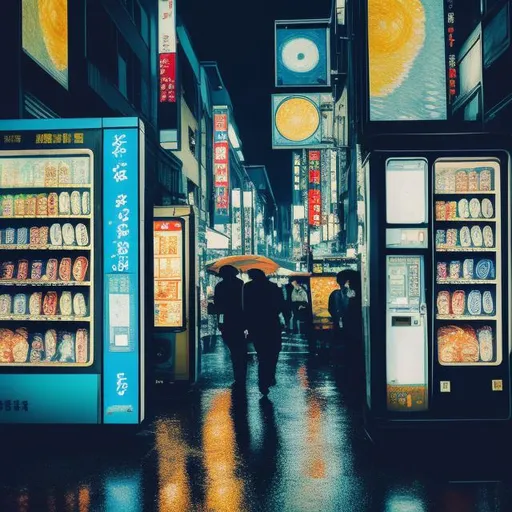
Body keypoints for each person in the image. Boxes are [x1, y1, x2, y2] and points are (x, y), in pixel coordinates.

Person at [243, 269, 285, 397]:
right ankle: (270, 375)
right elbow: (280, 305)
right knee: (274, 352)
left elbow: (245, 307)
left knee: (262, 355)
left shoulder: (248, 287)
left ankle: (263, 382)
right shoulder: (273, 287)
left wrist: (246, 325)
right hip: (272, 324)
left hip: (256, 325)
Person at [214, 265, 247, 388]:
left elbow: (218, 308)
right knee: (241, 349)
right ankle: (241, 375)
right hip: (240, 320)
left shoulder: (220, 286)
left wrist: (220, 323)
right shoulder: (241, 284)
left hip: (227, 321)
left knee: (234, 350)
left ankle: (238, 376)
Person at [328, 270, 363, 369]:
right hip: (353, 329)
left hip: (341, 328)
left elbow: (332, 310)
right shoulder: (355, 294)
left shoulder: (336, 294)